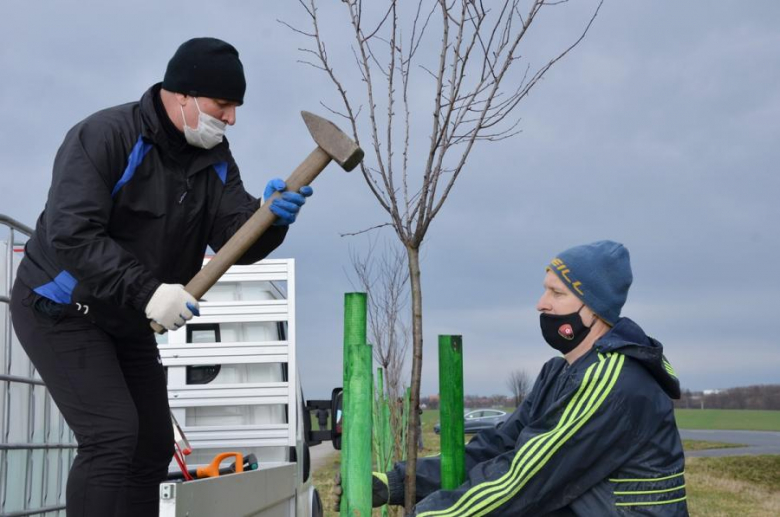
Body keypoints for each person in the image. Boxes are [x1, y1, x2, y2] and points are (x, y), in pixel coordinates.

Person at [10, 38, 312, 516]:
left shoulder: (213, 157)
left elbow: (235, 239)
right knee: (111, 436)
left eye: (236, 107)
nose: (231, 118)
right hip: (59, 308)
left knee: (152, 444)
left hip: (125, 318)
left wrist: (268, 219)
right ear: (183, 95)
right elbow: (73, 233)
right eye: (223, 105)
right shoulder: (106, 135)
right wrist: (149, 292)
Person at [336, 241, 688, 516]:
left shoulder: (614, 382)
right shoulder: (559, 371)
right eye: (544, 289)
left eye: (557, 293)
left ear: (593, 308)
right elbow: (499, 445)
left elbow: (525, 479)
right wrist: (395, 483)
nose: (541, 303)